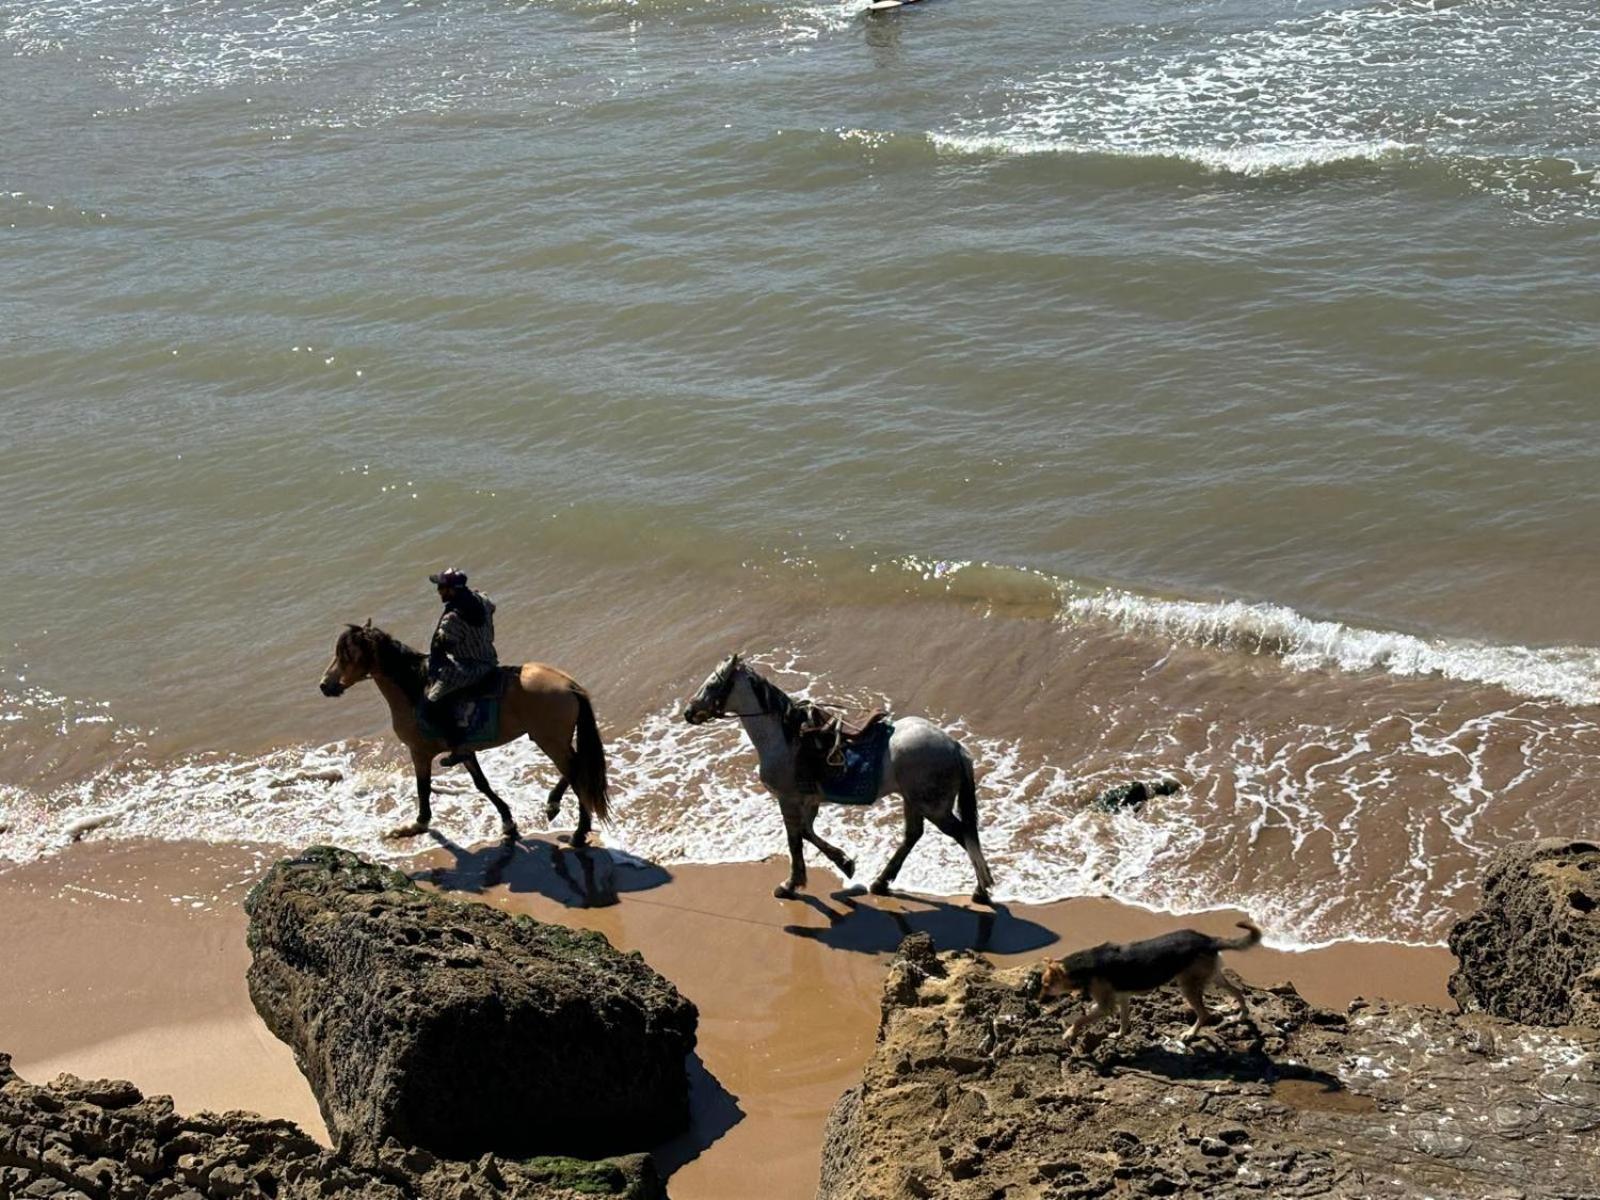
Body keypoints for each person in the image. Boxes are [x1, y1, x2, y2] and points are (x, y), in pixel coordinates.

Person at [421, 568, 499, 766]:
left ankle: (457, 747)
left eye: (441, 587)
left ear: (453, 590)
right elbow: (492, 605)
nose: (438, 591)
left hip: (471, 667)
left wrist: (435, 669)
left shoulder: (452, 619)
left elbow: (440, 650)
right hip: (489, 658)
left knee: (431, 702)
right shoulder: (481, 600)